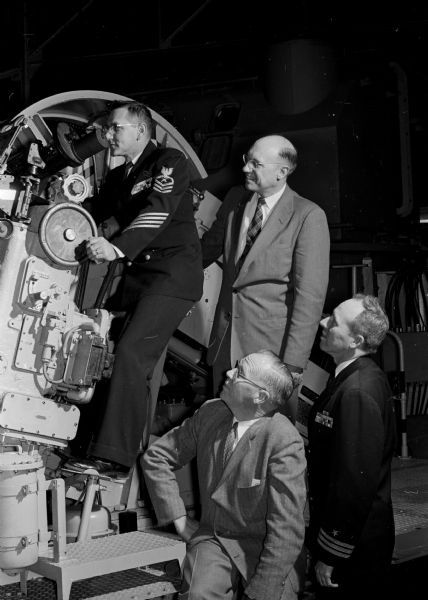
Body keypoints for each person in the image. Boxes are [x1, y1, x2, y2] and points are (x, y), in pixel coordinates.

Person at [69, 101, 203, 473]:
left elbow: (158, 209)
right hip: (140, 280)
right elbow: (98, 210)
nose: (108, 136)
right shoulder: (122, 175)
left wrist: (115, 247)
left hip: (171, 277)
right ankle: (83, 444)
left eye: (116, 129)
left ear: (141, 131)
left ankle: (114, 457)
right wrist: (63, 196)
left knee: (129, 354)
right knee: (96, 349)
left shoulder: (169, 162)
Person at [142, 350, 307, 600]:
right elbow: (157, 457)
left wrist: (262, 592)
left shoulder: (282, 439)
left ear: (260, 396)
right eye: (236, 367)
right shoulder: (212, 412)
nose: (228, 373)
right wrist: (178, 518)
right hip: (213, 539)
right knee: (197, 594)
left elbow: (286, 529)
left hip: (266, 549)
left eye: (239, 373)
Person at [200, 135, 330, 415]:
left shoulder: (307, 216)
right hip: (224, 346)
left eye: (255, 163)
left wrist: (292, 365)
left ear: (282, 172)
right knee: (219, 434)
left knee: (264, 443)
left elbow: (310, 297)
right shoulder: (236, 198)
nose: (246, 168)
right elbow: (206, 250)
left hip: (271, 359)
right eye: (246, 160)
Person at [306, 294, 396, 600]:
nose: (323, 322)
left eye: (333, 321)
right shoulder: (351, 377)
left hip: (353, 549)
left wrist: (331, 553)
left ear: (355, 339)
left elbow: (354, 483)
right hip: (353, 538)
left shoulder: (357, 390)